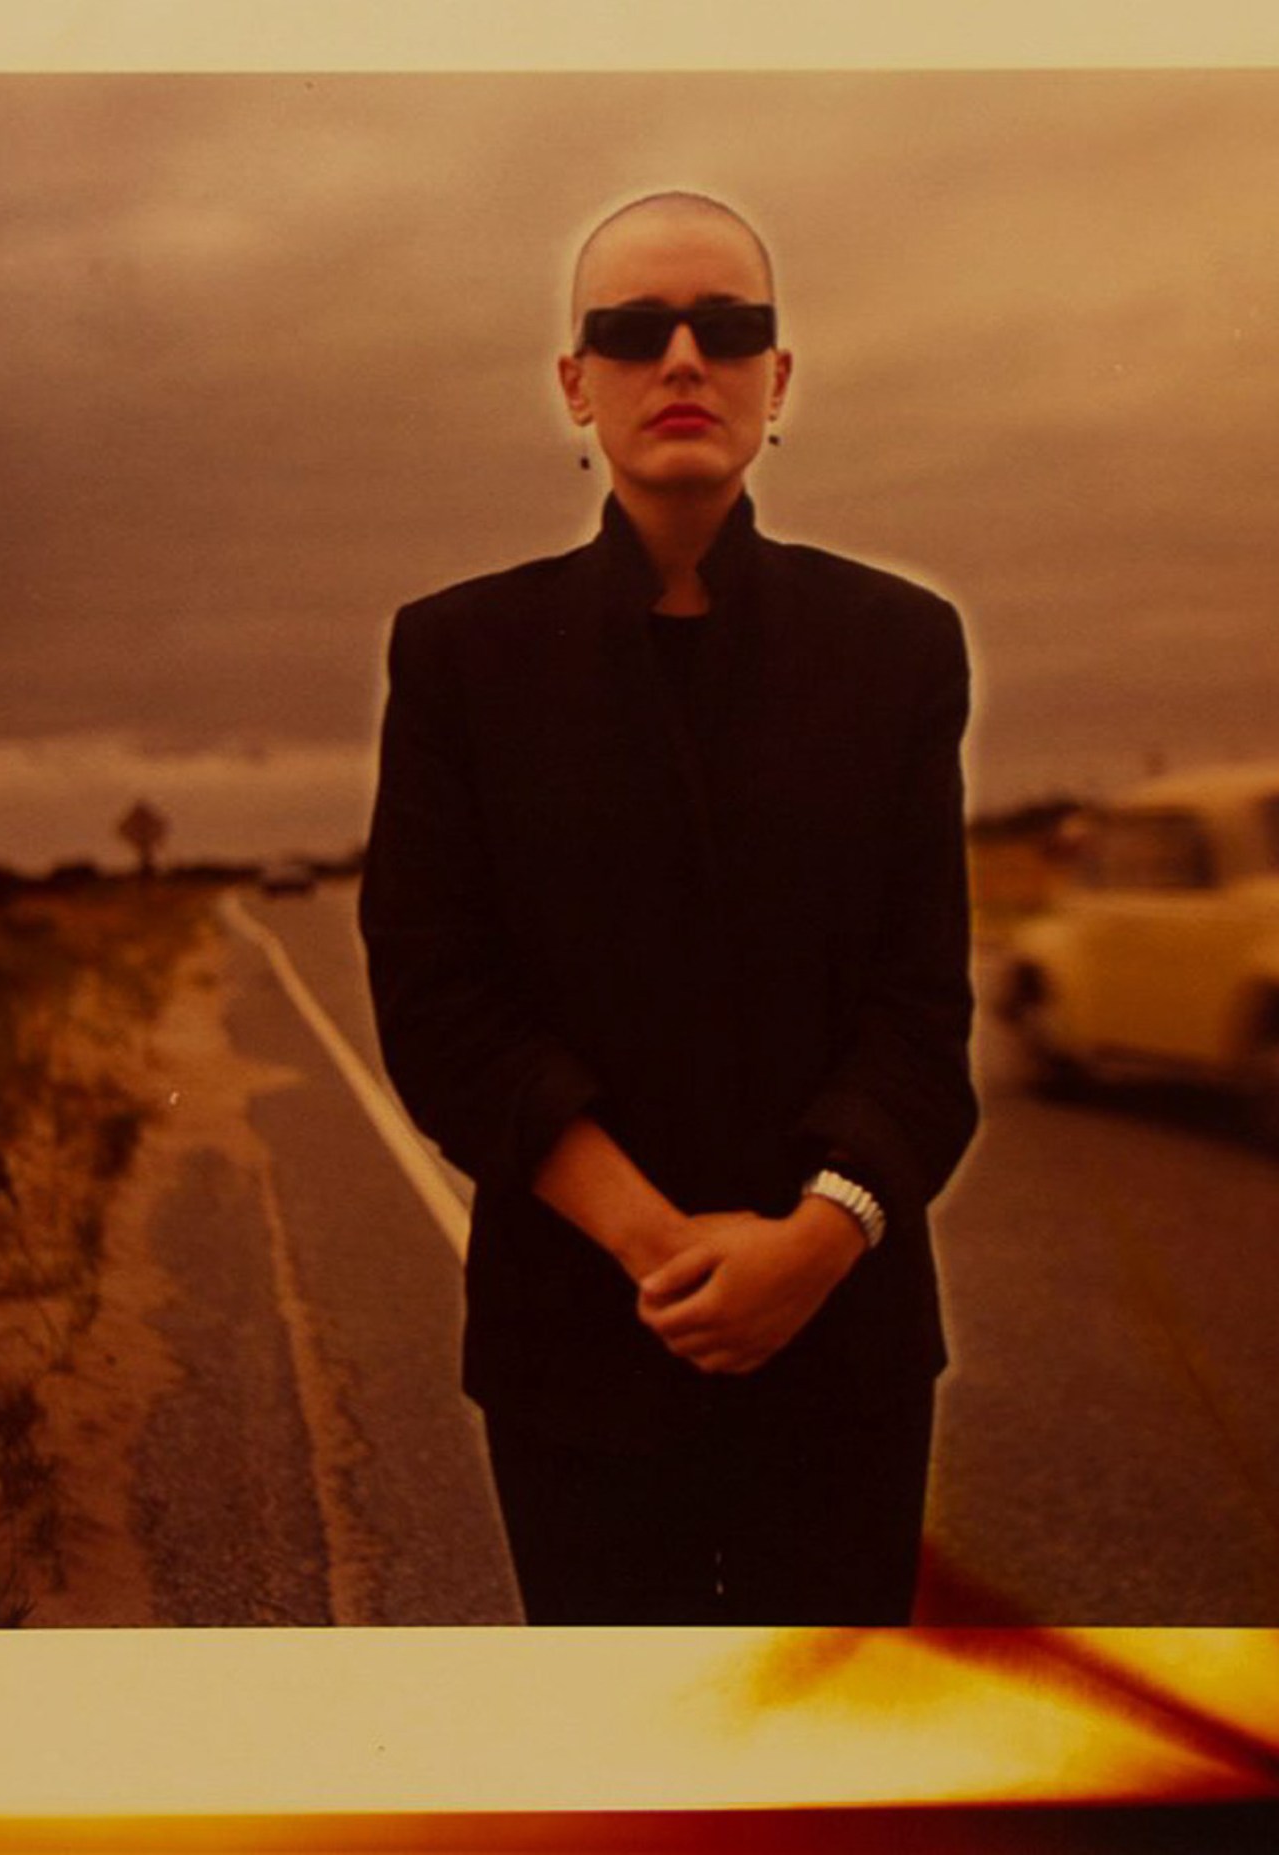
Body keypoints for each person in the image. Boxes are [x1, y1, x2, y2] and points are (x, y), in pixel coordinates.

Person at [359, 190, 977, 1626]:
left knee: (828, 1776)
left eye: (729, 328)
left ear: (779, 377)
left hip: (846, 1345)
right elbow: (438, 1004)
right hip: (579, 1339)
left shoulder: (893, 648)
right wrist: (667, 1253)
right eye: (635, 331)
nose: (683, 360)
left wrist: (810, 1245)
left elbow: (921, 1012)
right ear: (576, 386)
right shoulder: (462, 656)